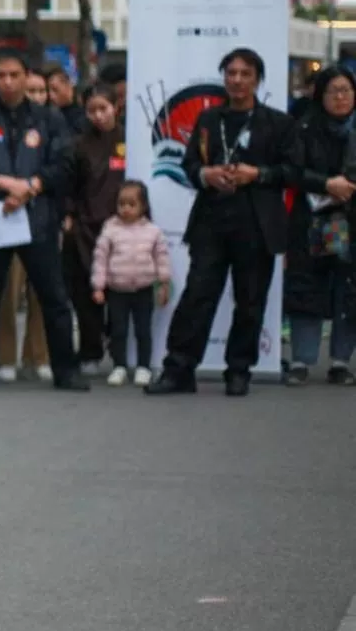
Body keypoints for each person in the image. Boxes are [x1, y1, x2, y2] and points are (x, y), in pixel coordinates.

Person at [148, 48, 299, 397]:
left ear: (258, 79)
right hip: (212, 221)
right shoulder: (208, 119)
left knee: (249, 300)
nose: (237, 80)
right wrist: (206, 173)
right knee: (198, 295)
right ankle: (179, 369)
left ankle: (239, 370)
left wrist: (256, 174)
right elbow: (187, 166)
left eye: (246, 74)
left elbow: (293, 172)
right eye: (231, 73)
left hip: (257, 224)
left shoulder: (279, 124)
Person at [0, 50, 87, 392]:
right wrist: (2, 183)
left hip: (37, 217)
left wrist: (32, 186)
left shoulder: (49, 119)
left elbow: (66, 163)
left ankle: (64, 369)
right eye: (1, 76)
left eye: (15, 75)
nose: (8, 82)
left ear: (27, 77)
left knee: (53, 297)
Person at [286, 66, 356, 383]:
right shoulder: (304, 127)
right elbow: (292, 171)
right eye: (333, 91)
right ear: (320, 95)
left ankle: (340, 361)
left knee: (348, 290)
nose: (340, 97)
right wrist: (327, 184)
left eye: (346, 90)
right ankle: (302, 359)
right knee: (308, 287)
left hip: (351, 218)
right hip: (316, 218)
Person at [66, 85, 125, 376]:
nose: (99, 116)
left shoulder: (131, 139)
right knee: (84, 291)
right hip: (85, 227)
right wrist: (68, 215)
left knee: (121, 291)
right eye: (92, 110)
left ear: (116, 106)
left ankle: (121, 350)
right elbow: (69, 186)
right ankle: (90, 349)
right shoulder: (78, 145)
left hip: (124, 228)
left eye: (104, 108)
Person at [91, 182, 172, 386]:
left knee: (143, 330)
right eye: (121, 204)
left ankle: (144, 367)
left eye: (131, 204)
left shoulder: (153, 231)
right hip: (117, 291)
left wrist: (163, 285)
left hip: (144, 290)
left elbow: (161, 257)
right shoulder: (110, 229)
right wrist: (99, 286)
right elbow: (100, 258)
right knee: (118, 331)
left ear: (143, 206)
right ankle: (119, 366)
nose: (125, 209)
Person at [45, 65, 86, 135]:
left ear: (68, 85)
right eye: (47, 91)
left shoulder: (85, 113)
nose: (51, 96)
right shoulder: (47, 116)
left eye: (55, 89)